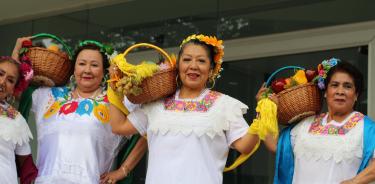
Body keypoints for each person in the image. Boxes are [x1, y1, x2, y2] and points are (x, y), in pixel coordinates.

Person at [108, 34, 278, 184]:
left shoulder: (225, 105)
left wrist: (263, 112)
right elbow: (119, 126)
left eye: (201, 61)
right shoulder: (156, 104)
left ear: (211, 69)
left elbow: (245, 146)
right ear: (178, 66)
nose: (193, 66)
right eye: (187, 59)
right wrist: (114, 86)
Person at [12, 38, 147, 184]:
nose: (87, 70)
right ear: (74, 69)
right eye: (82, 64)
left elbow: (149, 124)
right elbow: (14, 86)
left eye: (94, 65)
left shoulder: (115, 100)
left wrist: (123, 170)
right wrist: (17, 50)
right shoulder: (49, 96)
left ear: (104, 71)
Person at [272, 59, 375, 184]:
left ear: (356, 95)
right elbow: (277, 148)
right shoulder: (305, 124)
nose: (340, 92)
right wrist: (265, 109)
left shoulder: (367, 128)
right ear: (325, 92)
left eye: (347, 86)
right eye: (334, 85)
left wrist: (354, 181)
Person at [0, 56, 37, 184]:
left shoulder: (16, 119)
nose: (2, 82)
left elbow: (26, 167)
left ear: (13, 89)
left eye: (10, 80)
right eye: (0, 74)